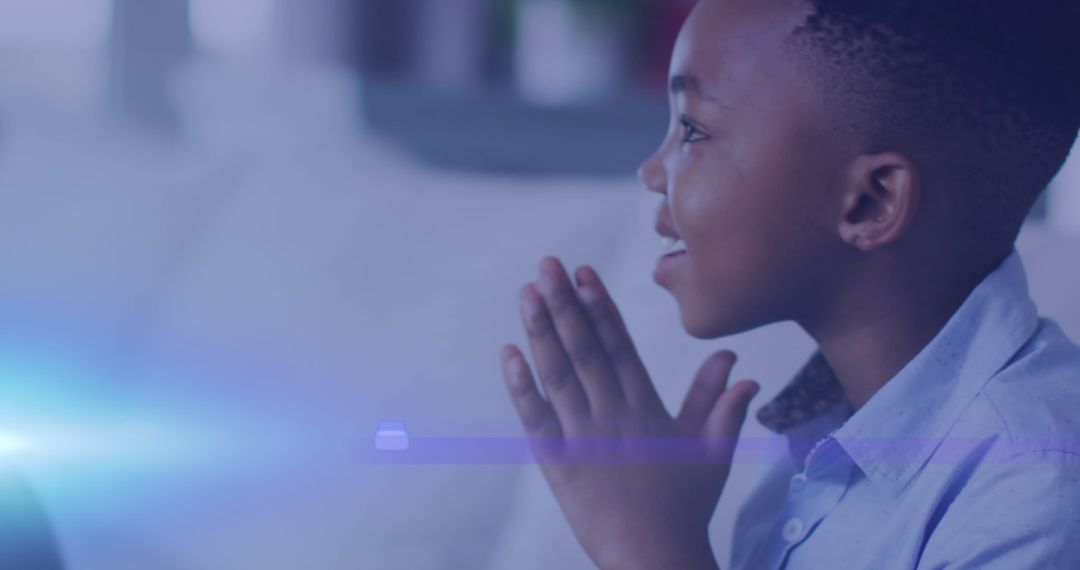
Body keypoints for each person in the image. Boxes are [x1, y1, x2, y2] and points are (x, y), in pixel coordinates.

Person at [497, 0, 1080, 568]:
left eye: (693, 130)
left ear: (870, 201)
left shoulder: (1035, 493)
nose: (650, 172)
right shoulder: (827, 433)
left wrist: (650, 548)